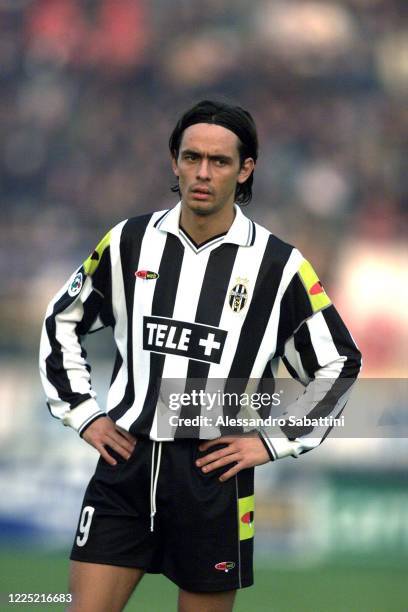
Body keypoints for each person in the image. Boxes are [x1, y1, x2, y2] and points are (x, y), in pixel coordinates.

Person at [39, 99, 361, 612]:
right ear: (174, 161)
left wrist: (272, 441)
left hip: (214, 476)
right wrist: (84, 414)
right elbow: (63, 319)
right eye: (191, 158)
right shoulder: (129, 241)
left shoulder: (279, 266)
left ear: (245, 168)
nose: (202, 173)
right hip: (126, 464)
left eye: (219, 161)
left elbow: (339, 363)